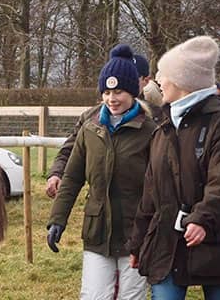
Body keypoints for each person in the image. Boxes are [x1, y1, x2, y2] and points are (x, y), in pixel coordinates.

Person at [129, 36, 220, 300]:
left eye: (164, 75)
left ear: (182, 81)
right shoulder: (163, 126)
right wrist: (138, 241)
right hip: (166, 244)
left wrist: (202, 219)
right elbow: (151, 191)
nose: (157, 81)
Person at [47, 45, 157, 300]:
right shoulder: (90, 128)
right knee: (95, 295)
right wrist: (57, 219)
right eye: (106, 92)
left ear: (133, 92)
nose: (112, 99)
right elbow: (73, 178)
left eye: (118, 91)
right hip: (97, 231)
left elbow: (158, 186)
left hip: (135, 233)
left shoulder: (151, 131)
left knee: (131, 296)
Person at [47, 46, 153, 199]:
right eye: (108, 91)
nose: (113, 96)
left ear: (145, 80)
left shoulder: (156, 119)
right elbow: (71, 150)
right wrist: (57, 172)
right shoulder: (91, 118)